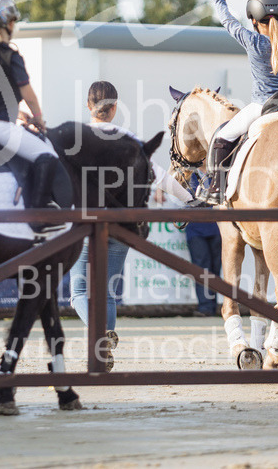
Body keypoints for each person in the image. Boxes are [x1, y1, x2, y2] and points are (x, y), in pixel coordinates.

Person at [67, 81, 203, 368]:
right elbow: (159, 176)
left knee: (79, 292)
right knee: (106, 291)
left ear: (88, 106)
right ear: (114, 107)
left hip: (85, 224)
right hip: (121, 225)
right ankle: (104, 344)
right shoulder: (127, 138)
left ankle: (100, 336)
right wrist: (190, 200)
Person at [203, 0, 278, 202]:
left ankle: (216, 189)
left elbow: (226, 19)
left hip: (262, 106)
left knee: (221, 138)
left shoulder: (252, 40)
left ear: (254, 20)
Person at [0, 0, 60, 225]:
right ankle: (38, 217)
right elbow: (28, 94)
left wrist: (18, 113)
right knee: (47, 155)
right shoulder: (10, 55)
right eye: (12, 21)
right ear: (6, 23)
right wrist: (38, 118)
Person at [185, 171, 222, 316]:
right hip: (196, 229)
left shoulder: (217, 176)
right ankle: (205, 306)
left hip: (218, 227)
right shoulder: (189, 175)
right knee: (201, 268)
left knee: (215, 268)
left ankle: (214, 305)